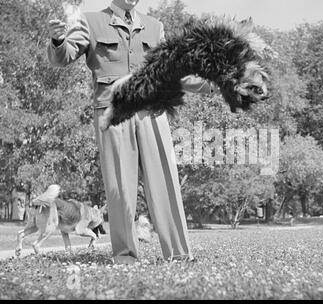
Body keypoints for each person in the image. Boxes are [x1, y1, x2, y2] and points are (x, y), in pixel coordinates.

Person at [47, 0, 214, 264]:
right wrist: (58, 41)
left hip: (153, 113)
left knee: (166, 183)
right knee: (120, 187)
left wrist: (214, 83)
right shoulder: (91, 22)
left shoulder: (154, 26)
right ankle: (125, 256)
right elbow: (64, 57)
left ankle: (179, 254)